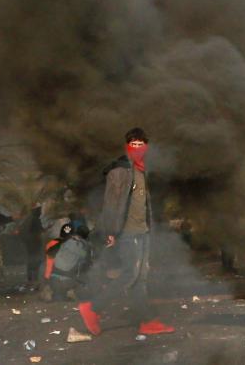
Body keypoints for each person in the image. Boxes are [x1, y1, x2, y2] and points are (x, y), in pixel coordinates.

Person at [77, 127, 174, 337]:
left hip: (143, 230)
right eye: (133, 144)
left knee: (141, 277)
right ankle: (93, 308)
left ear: (146, 146)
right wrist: (110, 231)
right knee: (131, 274)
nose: (137, 148)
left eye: (141, 144)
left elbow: (143, 204)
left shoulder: (141, 170)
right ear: (127, 146)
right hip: (127, 231)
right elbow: (111, 202)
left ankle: (146, 321)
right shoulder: (119, 170)